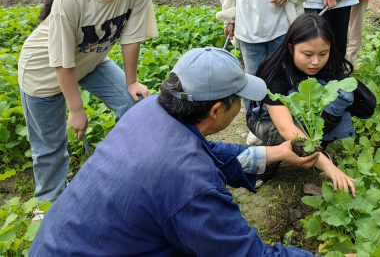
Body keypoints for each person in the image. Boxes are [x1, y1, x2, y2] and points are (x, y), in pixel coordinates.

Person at [29, 47, 354, 257]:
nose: (242, 104)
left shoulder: (150, 111)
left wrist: (277, 153)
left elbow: (208, 152)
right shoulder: (188, 182)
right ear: (216, 111)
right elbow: (244, 254)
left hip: (57, 242)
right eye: (238, 98)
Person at [18, 0, 158, 210]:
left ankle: (126, 174)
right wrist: (76, 109)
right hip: (43, 72)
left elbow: (131, 36)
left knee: (136, 104)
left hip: (91, 60)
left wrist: (131, 82)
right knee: (50, 148)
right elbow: (61, 59)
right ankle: (47, 204)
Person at [247, 14, 375, 191]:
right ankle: (263, 169)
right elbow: (286, 128)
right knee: (278, 132)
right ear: (291, 48)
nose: (316, 61)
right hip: (265, 118)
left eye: (323, 53)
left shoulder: (326, 65)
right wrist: (329, 168)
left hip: (300, 115)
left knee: (339, 100)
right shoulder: (277, 75)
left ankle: (315, 149)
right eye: (307, 54)